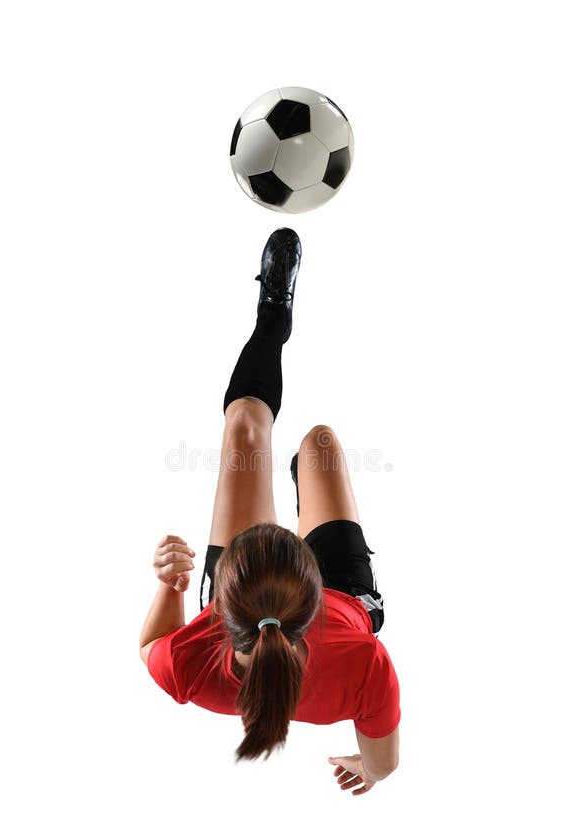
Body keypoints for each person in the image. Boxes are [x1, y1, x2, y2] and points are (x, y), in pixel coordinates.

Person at [139, 229, 400, 796]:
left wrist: (173, 586)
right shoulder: (364, 662)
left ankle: (271, 320)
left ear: (221, 590)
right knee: (319, 444)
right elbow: (385, 763)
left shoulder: (190, 668)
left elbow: (148, 647)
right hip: (347, 596)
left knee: (245, 428)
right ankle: (306, 474)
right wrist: (369, 767)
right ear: (312, 579)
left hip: (277, 590)